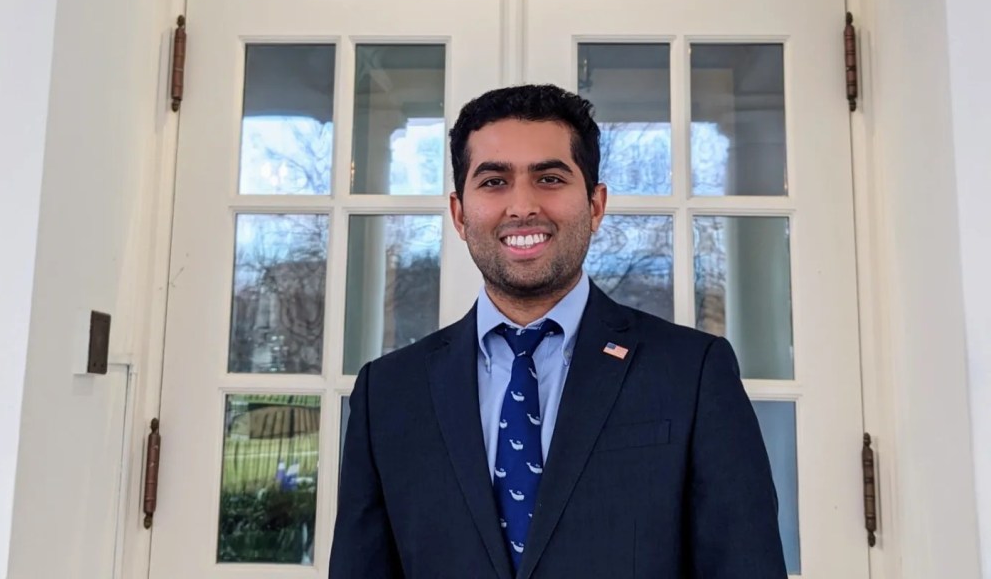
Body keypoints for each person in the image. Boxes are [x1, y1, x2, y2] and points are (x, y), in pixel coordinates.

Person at [331, 84, 786, 579]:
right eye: (493, 182)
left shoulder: (693, 373)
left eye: (549, 178)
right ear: (460, 213)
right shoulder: (389, 394)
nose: (522, 206)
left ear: (595, 205)